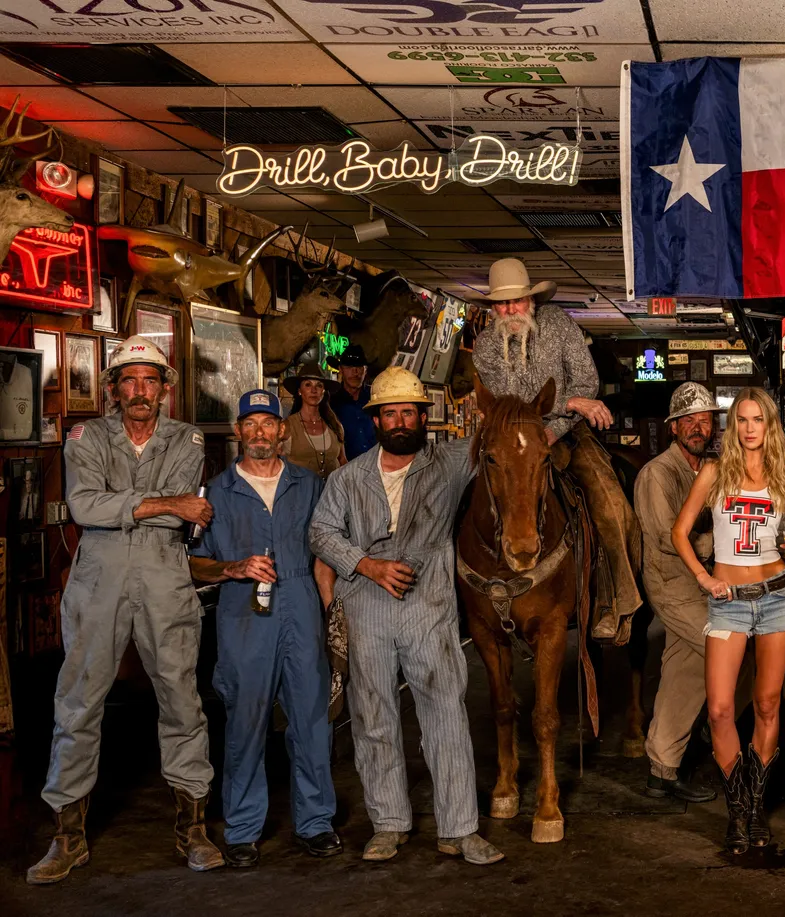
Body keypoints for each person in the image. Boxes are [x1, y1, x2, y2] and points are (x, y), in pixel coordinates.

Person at [29, 336, 223, 884]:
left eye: (150, 380)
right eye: (129, 380)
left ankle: (193, 828)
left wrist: (137, 508)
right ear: (113, 388)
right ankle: (67, 836)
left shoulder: (186, 438)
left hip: (166, 577)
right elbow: (85, 506)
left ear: (165, 388)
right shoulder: (85, 437)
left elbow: (186, 516)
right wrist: (165, 504)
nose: (140, 390)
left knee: (182, 700)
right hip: (98, 579)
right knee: (77, 704)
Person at [309, 366, 503, 866]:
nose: (399, 420)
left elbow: (503, 437)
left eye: (408, 412)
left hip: (428, 608)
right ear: (375, 420)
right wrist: (367, 565)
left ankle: (460, 829)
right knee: (373, 717)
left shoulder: (452, 464)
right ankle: (389, 824)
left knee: (446, 715)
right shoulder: (348, 478)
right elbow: (321, 533)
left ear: (424, 415)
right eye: (388, 412)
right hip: (366, 605)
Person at [188, 389, 340, 868]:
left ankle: (315, 822)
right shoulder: (215, 493)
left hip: (302, 607)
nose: (259, 432)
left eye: (267, 423)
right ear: (238, 432)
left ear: (282, 431)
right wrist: (232, 568)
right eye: (249, 424)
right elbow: (194, 564)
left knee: (312, 719)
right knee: (246, 721)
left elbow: (328, 549)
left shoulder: (309, 484)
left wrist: (332, 606)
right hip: (243, 617)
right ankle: (242, 829)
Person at [671, 387, 785, 854]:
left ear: (770, 426)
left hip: (777, 597)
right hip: (729, 601)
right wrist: (702, 577)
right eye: (742, 419)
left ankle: (752, 810)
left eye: (758, 419)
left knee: (766, 705)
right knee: (719, 708)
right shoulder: (714, 473)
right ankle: (736, 807)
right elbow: (679, 532)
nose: (750, 427)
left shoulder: (783, 478)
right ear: (733, 426)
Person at [472, 257, 642, 644]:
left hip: (570, 436)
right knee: (465, 498)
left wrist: (559, 421)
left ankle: (617, 602)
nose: (509, 310)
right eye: (501, 304)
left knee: (611, 503)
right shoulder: (484, 349)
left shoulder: (558, 324)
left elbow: (586, 379)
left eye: (516, 301)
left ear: (531, 300)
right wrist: (567, 405)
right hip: (514, 442)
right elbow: (503, 408)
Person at [636, 382, 727, 803]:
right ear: (673, 427)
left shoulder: (709, 468)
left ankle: (661, 769)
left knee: (685, 667)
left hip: (703, 578)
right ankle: (716, 721)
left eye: (704, 419)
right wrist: (713, 531)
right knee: (727, 646)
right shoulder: (658, 473)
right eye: (688, 420)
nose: (697, 426)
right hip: (671, 582)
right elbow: (665, 535)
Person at [282, 363, 346, 479]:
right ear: (299, 391)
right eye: (308, 385)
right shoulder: (287, 426)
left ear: (324, 391)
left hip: (332, 494)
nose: (314, 390)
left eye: (319, 385)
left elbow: (343, 461)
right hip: (299, 494)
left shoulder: (335, 426)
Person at [327, 344, 377, 460]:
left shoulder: (376, 396)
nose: (355, 372)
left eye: (359, 367)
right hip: (345, 469)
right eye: (349, 367)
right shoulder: (330, 401)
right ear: (340, 369)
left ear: (365, 370)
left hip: (377, 466)